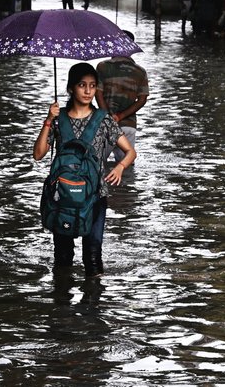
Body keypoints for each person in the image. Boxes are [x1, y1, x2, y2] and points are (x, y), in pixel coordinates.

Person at [33, 63, 136, 278]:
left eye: (92, 86)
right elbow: (38, 154)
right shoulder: (58, 119)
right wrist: (48, 120)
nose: (88, 91)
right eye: (82, 85)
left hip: (95, 195)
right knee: (62, 255)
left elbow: (130, 152)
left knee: (93, 253)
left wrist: (119, 167)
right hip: (62, 196)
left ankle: (94, 306)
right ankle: (61, 303)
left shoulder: (104, 120)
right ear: (71, 88)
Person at [96, 30, 149, 164]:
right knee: (126, 166)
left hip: (105, 124)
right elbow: (142, 100)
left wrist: (108, 116)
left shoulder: (103, 67)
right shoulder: (140, 72)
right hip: (128, 126)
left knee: (97, 164)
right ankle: (126, 186)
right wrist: (121, 116)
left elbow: (98, 93)